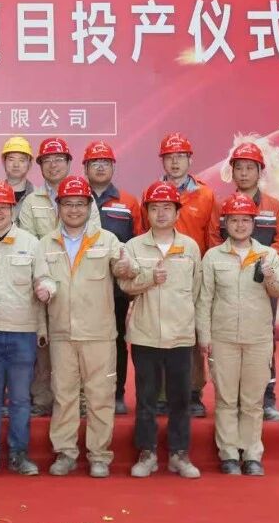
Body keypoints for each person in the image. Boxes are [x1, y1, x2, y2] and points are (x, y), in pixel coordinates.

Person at [40, 176, 136, 478]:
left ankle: (99, 455)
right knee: (64, 396)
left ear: (89, 206)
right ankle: (65, 453)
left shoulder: (108, 241)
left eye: (80, 204)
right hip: (61, 333)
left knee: (100, 397)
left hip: (99, 334)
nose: (73, 210)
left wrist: (127, 268)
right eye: (68, 204)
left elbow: (126, 269)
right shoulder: (46, 243)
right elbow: (39, 278)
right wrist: (42, 287)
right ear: (59, 207)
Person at [0, 181, 56, 476]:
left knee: (20, 400)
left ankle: (20, 455)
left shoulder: (31, 244)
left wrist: (46, 289)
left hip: (22, 333)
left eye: (2, 207)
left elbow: (45, 278)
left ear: (13, 209)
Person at [198, 193, 279, 476]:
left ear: (254, 224)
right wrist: (204, 336)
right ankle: (228, 454)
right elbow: (204, 299)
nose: (240, 225)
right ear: (225, 224)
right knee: (226, 399)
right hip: (223, 337)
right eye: (234, 220)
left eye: (245, 220)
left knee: (252, 401)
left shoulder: (268, 255)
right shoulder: (213, 257)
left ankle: (251, 455)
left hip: (257, 339)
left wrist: (270, 275)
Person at [120, 181, 203, 479]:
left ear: (177, 212)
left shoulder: (190, 247)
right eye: (154, 208)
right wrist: (149, 278)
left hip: (180, 335)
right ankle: (147, 453)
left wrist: (197, 329)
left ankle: (180, 454)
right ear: (147, 212)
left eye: (167, 208)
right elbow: (126, 285)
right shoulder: (133, 246)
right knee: (146, 399)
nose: (161, 213)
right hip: (145, 334)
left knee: (181, 398)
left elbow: (197, 291)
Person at [213, 142, 279, 422]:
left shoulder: (274, 207)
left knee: (264, 341)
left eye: (250, 168)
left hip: (262, 285)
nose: (244, 173)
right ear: (232, 172)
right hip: (228, 284)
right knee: (228, 340)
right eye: (239, 168)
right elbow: (214, 240)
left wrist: (263, 266)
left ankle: (266, 399)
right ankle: (232, 399)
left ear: (260, 171)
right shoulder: (221, 206)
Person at [146, 132, 218, 418]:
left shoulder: (205, 194)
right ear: (162, 160)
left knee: (192, 333)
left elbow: (213, 237)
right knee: (159, 331)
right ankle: (162, 393)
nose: (175, 162)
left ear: (190, 159)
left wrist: (209, 274)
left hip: (193, 272)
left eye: (180, 156)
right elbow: (142, 232)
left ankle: (192, 392)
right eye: (169, 157)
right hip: (160, 272)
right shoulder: (151, 192)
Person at [16, 137, 76, 417]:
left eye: (59, 159)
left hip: (76, 281)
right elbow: (30, 242)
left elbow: (90, 236)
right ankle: (41, 399)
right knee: (41, 343)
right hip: (40, 280)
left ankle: (73, 400)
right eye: (47, 160)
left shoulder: (82, 197)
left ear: (69, 163)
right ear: (39, 166)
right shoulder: (31, 201)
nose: (53, 165)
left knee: (73, 343)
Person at [83, 141, 144, 416]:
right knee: (82, 341)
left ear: (113, 167)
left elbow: (138, 242)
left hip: (115, 288)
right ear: (85, 167)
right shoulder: (75, 199)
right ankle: (84, 394)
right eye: (94, 162)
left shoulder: (128, 202)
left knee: (117, 340)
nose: (100, 167)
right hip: (82, 285)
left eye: (105, 162)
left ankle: (117, 393)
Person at [1, 136, 35, 206]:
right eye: (11, 159)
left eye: (21, 160)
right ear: (4, 162)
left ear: (30, 164)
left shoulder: (39, 196)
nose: (16, 165)